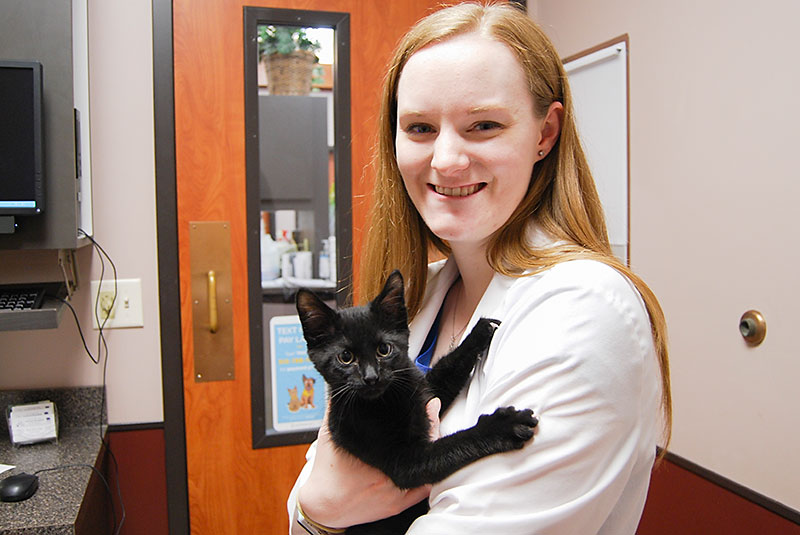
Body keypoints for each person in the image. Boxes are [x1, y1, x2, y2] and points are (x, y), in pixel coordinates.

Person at [288, 2, 671, 533]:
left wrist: (319, 512)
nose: (446, 160)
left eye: (484, 125)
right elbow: (314, 490)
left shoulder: (585, 312)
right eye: (420, 127)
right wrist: (315, 511)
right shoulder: (419, 298)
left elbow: (319, 497)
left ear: (545, 133)